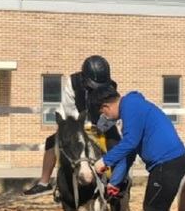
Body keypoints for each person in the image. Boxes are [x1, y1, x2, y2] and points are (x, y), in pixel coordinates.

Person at [90, 85, 185, 211]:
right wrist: (115, 182)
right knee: (152, 209)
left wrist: (105, 161)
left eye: (103, 112)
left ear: (106, 106)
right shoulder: (133, 108)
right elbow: (130, 152)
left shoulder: (131, 107)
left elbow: (128, 144)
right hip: (163, 165)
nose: (106, 117)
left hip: (169, 164)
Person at [23, 55, 120, 197]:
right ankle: (44, 183)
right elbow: (70, 110)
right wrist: (85, 126)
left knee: (115, 141)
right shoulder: (73, 83)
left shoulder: (111, 86)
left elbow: (112, 111)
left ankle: (117, 181)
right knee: (51, 141)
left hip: (102, 123)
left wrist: (100, 126)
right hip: (78, 124)